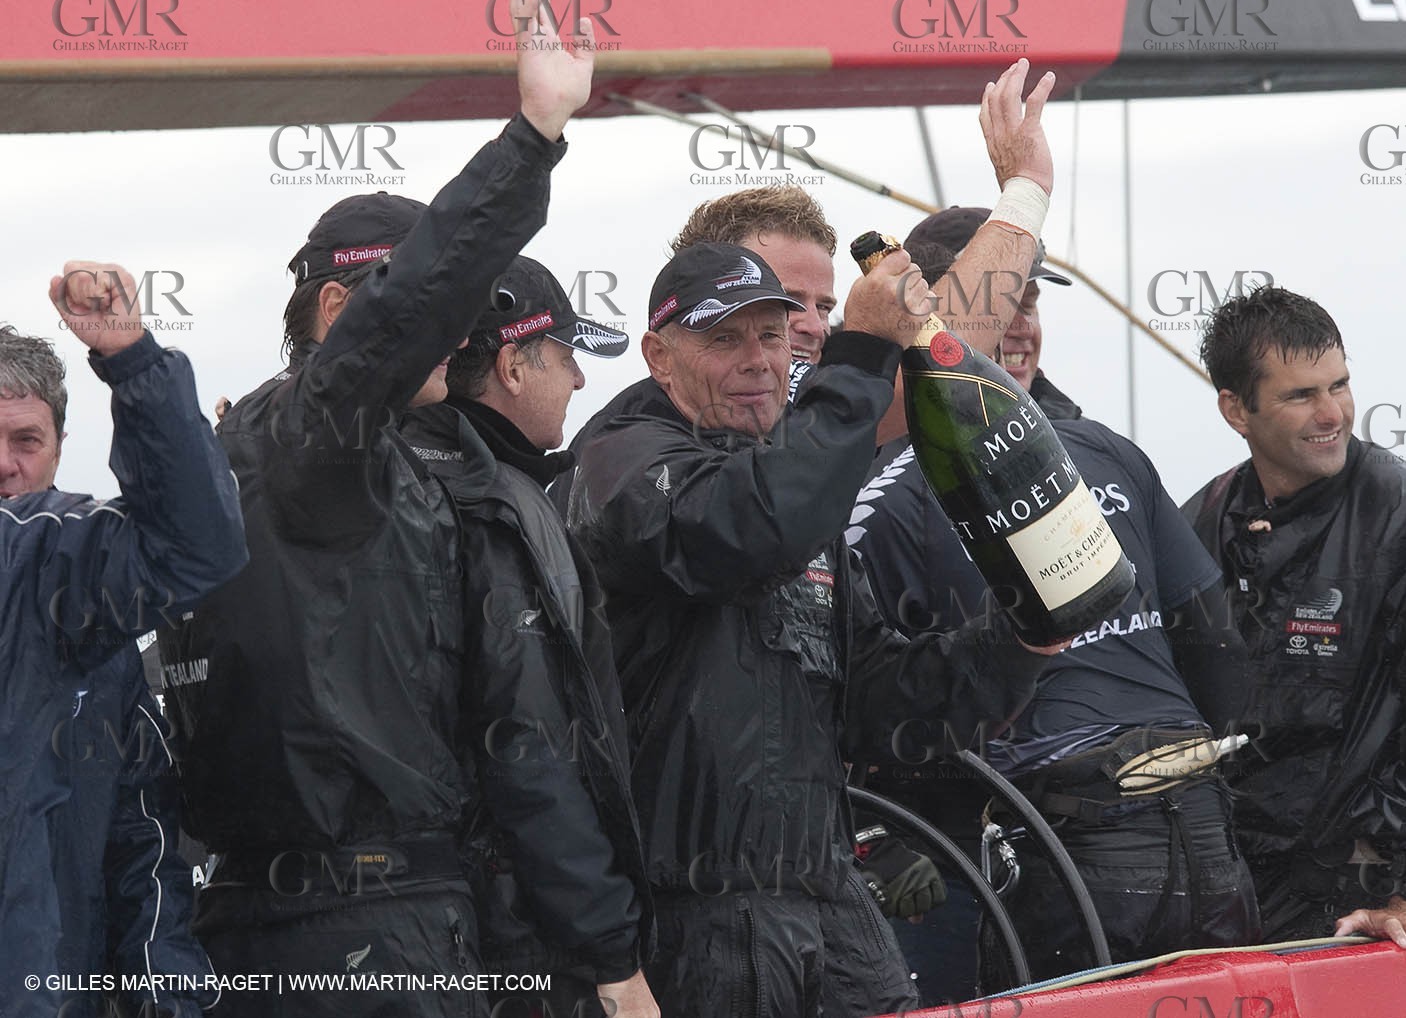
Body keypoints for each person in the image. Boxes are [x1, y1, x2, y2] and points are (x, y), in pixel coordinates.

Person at [156, 0, 611, 1016]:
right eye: (424, 299)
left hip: (376, 918)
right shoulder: (304, 437)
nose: (458, 329)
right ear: (337, 308)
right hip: (354, 938)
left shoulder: (378, 459)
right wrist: (532, 137)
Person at [564, 171, 1065, 1015]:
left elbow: (879, 703)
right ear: (660, 354)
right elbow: (745, 532)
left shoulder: (799, 484)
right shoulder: (624, 456)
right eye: (729, 339)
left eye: (786, 327)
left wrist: (1017, 640)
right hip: (689, 912)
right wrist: (866, 352)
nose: (766, 359)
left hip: (823, 894)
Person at [847, 210, 1259, 999]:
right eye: (1005, 307)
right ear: (937, 314)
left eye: (1032, 304)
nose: (1022, 328)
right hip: (1173, 832)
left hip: (1079, 845)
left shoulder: (1094, 450)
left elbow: (1218, 649)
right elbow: (1220, 660)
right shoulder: (1099, 450)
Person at [1180, 285, 1406, 989]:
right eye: (1302, 395)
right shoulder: (1200, 525)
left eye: (1340, 384)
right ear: (1236, 409)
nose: (1332, 413)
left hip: (1387, 891)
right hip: (1255, 894)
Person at [400, 256, 656, 1018]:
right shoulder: (501, 503)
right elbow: (531, 747)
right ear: (513, 365)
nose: (580, 381)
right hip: (512, 939)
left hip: (416, 920)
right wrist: (611, 950)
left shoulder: (403, 476)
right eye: (569, 356)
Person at [1, 268, 247, 1018]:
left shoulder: (65, 588)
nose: (4, 465)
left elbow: (145, 872)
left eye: (26, 440)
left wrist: (132, 360)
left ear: (61, 448)